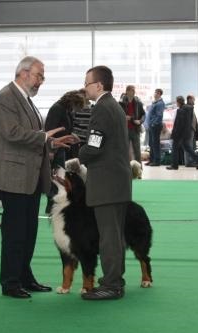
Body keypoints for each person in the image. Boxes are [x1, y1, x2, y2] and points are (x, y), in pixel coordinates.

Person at [0, 56, 78, 299]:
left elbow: (33, 135)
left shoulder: (25, 99)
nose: (41, 81)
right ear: (24, 73)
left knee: (28, 231)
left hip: (29, 176)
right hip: (13, 176)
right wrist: (44, 138)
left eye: (42, 77)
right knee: (15, 232)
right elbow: (12, 133)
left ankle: (24, 277)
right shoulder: (5, 98)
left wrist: (51, 142)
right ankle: (10, 282)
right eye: (39, 76)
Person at [78, 65, 132, 301]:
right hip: (117, 181)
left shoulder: (101, 108)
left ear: (99, 85)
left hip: (106, 182)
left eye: (87, 83)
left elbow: (94, 145)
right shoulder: (115, 107)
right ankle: (115, 280)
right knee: (116, 235)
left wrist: (76, 156)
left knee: (108, 236)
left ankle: (111, 284)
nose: (85, 88)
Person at [44, 89, 85, 213]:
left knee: (59, 176)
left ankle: (55, 204)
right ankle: (52, 205)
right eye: (77, 106)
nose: (77, 110)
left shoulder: (65, 109)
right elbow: (50, 129)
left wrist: (72, 134)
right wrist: (51, 150)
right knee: (56, 177)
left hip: (61, 147)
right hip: (56, 148)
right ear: (72, 102)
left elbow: (65, 127)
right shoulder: (58, 109)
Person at [166, 95, 198, 170]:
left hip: (179, 134)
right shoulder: (189, 109)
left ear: (178, 102)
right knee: (187, 148)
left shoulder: (180, 110)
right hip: (187, 133)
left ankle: (174, 165)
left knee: (175, 148)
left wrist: (174, 133)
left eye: (176, 102)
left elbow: (178, 124)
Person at [119, 85, 145, 164]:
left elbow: (143, 115)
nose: (133, 92)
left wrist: (140, 121)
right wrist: (124, 117)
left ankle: (139, 170)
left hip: (135, 129)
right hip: (124, 130)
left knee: (137, 150)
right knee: (124, 151)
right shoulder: (121, 103)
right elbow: (117, 115)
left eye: (134, 91)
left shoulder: (138, 103)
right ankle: (126, 169)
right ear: (127, 91)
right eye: (131, 90)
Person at [146, 88, 165, 166]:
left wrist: (154, 124)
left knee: (155, 144)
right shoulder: (154, 103)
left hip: (155, 126)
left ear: (160, 94)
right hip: (151, 126)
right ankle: (152, 160)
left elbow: (159, 115)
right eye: (155, 92)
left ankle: (157, 161)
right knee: (151, 143)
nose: (155, 94)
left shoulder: (160, 103)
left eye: (157, 93)